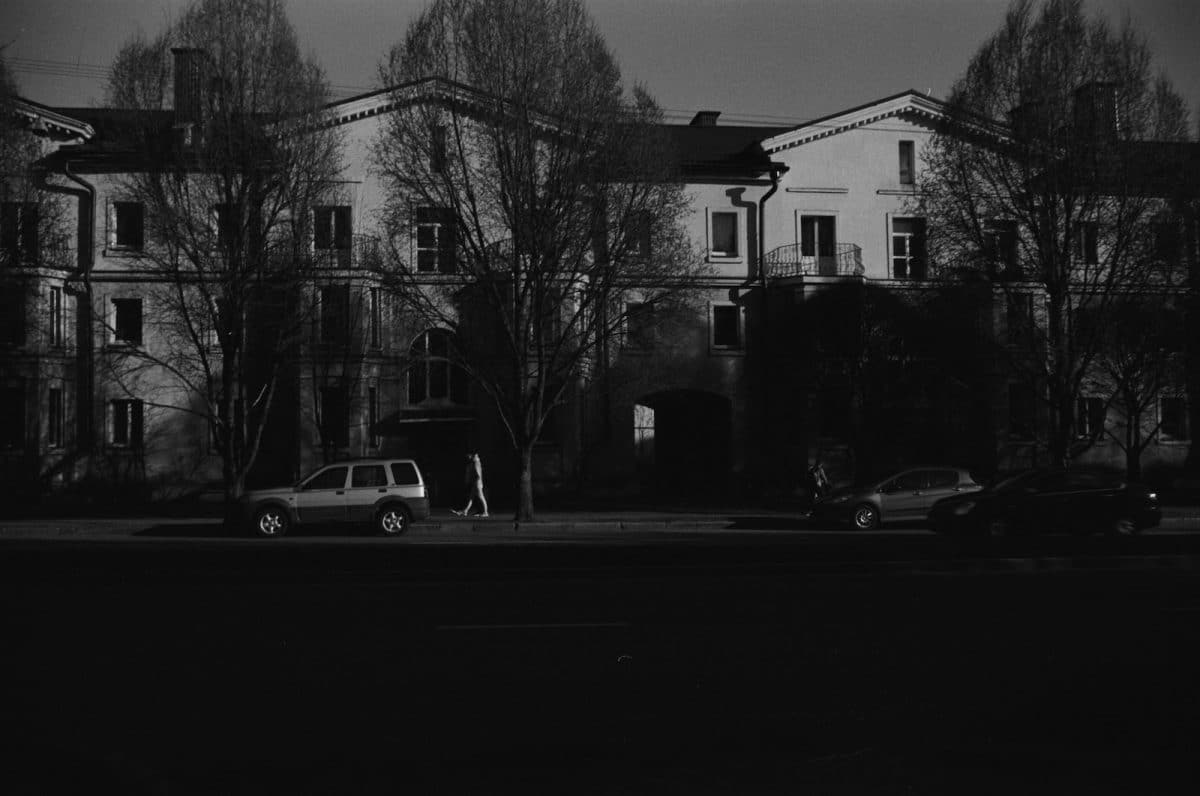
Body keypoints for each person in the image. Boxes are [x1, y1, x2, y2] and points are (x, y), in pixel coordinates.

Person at [452, 452, 489, 517]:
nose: (468, 457)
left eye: (469, 455)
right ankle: (465, 511)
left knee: (481, 497)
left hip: (477, 483)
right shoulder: (476, 462)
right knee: (471, 498)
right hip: (476, 483)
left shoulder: (475, 462)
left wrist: (475, 482)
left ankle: (485, 512)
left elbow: (477, 474)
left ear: (472, 455)